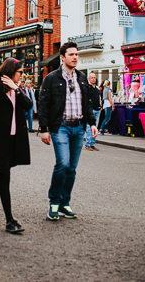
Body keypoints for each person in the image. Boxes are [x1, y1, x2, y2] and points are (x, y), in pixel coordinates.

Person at [38, 41, 98, 221]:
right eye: (71, 55)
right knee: (62, 164)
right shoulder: (52, 78)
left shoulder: (81, 78)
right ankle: (54, 203)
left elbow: (87, 104)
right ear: (62, 57)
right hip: (61, 127)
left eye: (77, 54)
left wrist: (92, 123)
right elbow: (44, 105)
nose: (75, 57)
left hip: (79, 127)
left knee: (71, 168)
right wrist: (43, 129)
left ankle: (64, 203)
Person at [0, 58, 31, 234]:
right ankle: (10, 220)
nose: (22, 75)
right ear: (10, 72)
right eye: (20, 73)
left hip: (13, 141)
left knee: (2, 177)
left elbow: (29, 105)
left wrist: (16, 89)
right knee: (5, 178)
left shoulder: (17, 91)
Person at [83, 73, 101, 151]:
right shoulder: (87, 88)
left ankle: (92, 144)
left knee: (95, 127)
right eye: (92, 78)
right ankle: (88, 144)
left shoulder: (96, 89)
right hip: (91, 110)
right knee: (89, 127)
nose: (93, 79)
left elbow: (99, 98)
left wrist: (100, 105)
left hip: (98, 109)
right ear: (89, 79)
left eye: (94, 77)